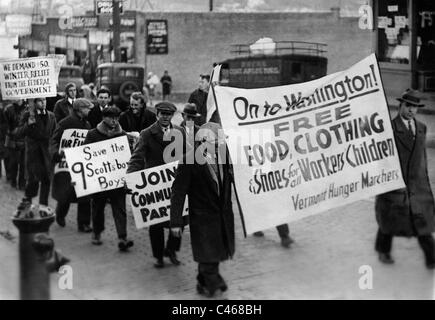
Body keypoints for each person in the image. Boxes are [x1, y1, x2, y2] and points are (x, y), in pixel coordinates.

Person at [170, 122, 235, 298]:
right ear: (202, 141)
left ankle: (202, 281)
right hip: (203, 221)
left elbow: (231, 179)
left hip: (222, 217)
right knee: (210, 256)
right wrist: (175, 222)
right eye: (215, 143)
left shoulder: (224, 155)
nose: (218, 146)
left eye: (219, 142)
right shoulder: (188, 162)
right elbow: (178, 193)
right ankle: (214, 288)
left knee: (214, 253)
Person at [375, 89, 435, 269]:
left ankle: (431, 258)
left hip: (417, 185)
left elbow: (422, 157)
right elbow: (380, 158)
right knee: (389, 221)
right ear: (400, 105)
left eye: (415, 107)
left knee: (422, 222)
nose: (411, 110)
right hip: (395, 183)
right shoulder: (389, 129)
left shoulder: (422, 128)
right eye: (408, 106)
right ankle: (383, 250)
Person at [127, 102, 184, 268]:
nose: (165, 117)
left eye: (169, 114)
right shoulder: (146, 134)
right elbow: (137, 158)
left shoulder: (179, 132)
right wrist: (130, 178)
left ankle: (172, 250)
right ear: (157, 114)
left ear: (172, 116)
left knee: (178, 218)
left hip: (175, 183)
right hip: (154, 186)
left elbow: (186, 155)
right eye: (162, 114)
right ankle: (158, 255)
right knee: (156, 223)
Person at [84, 106, 134, 252]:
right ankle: (97, 233)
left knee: (120, 208)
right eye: (111, 117)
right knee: (98, 207)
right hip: (100, 179)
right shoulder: (93, 134)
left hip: (117, 179)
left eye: (117, 118)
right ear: (103, 118)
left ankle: (122, 237)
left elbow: (128, 155)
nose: (114, 121)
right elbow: (85, 155)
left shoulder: (122, 135)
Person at [51, 98, 93, 233]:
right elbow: (54, 141)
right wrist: (56, 154)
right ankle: (60, 214)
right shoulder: (65, 123)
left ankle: (84, 223)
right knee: (65, 194)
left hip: (82, 165)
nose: (89, 110)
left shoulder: (87, 125)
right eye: (87, 108)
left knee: (85, 195)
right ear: (79, 109)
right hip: (66, 165)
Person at [16, 98, 57, 211]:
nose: (43, 102)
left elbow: (55, 133)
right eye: (40, 100)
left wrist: (55, 149)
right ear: (34, 103)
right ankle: (27, 200)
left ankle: (43, 205)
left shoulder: (51, 115)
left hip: (47, 153)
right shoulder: (28, 115)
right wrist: (28, 125)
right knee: (33, 179)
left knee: (46, 179)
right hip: (33, 153)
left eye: (44, 100)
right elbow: (18, 133)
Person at [3, 99, 27, 189]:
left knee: (24, 163)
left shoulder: (29, 108)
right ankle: (13, 180)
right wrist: (11, 130)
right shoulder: (8, 109)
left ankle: (22, 183)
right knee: (13, 162)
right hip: (12, 139)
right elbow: (4, 123)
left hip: (25, 139)